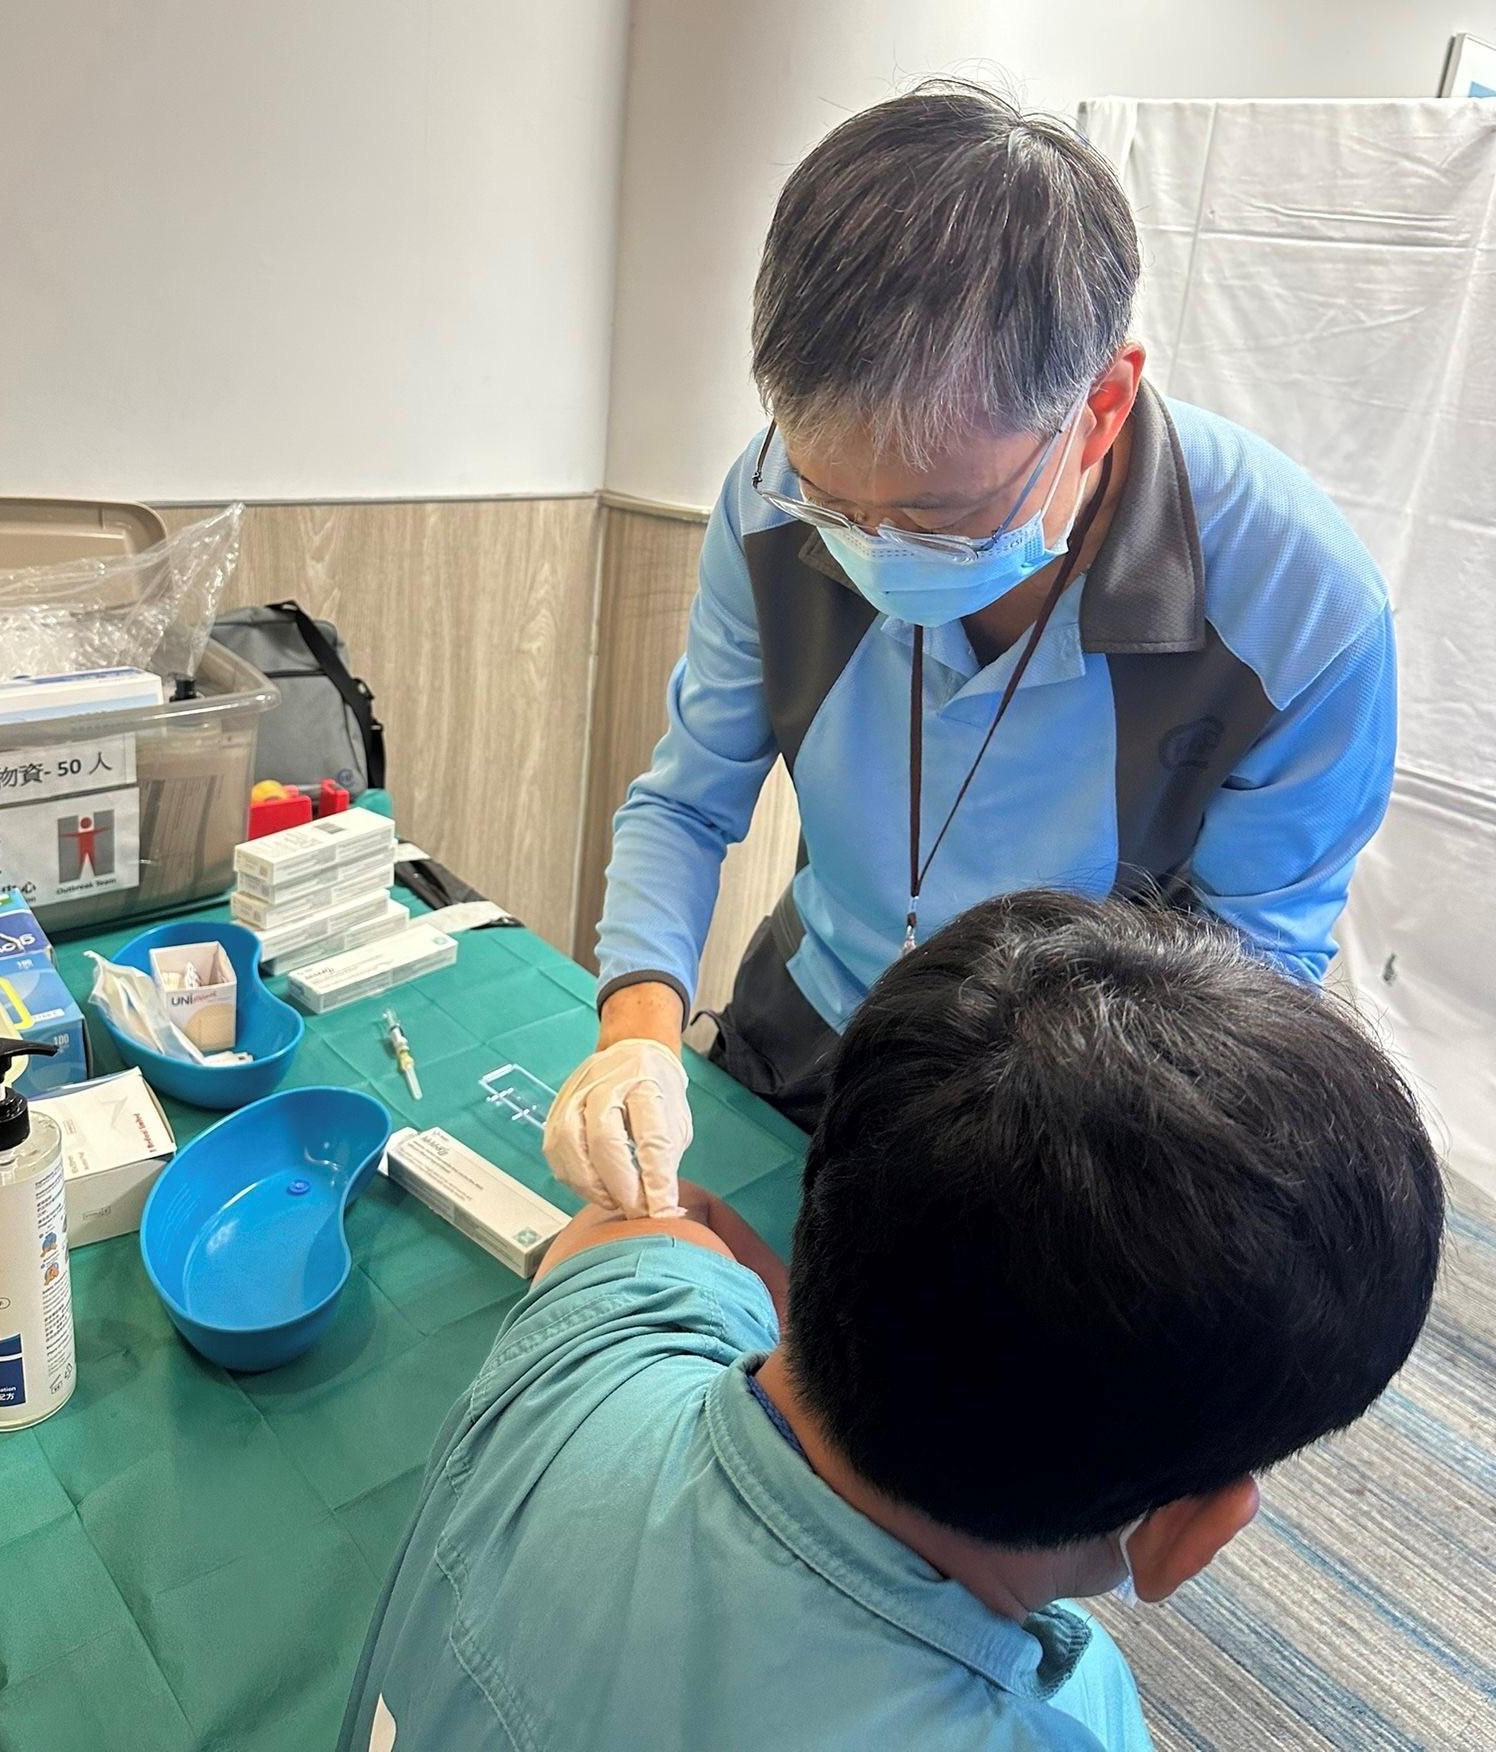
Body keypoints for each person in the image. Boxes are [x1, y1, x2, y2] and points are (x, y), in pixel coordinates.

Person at [544, 80, 1399, 1218]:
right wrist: (637, 1028)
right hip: (804, 1022)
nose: (874, 554)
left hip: (1075, 1109)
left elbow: (1244, 989)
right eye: (832, 503)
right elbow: (688, 801)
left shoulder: (1297, 612)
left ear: (1100, 404)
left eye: (937, 515)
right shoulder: (766, 500)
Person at [339, 893, 1443, 1752]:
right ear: (1189, 1534)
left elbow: (644, 1229)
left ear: (829, 1205)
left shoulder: (596, 1348)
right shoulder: (1065, 1721)